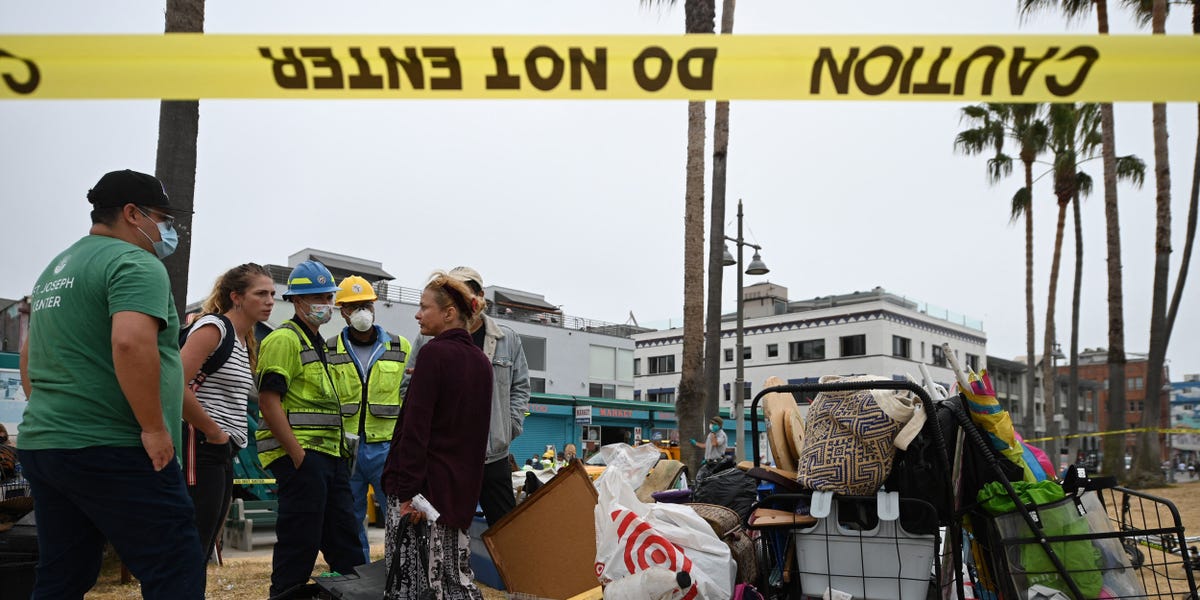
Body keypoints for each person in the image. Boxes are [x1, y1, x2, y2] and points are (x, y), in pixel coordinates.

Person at [16, 169, 204, 598]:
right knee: (175, 568)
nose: (168, 229)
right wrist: (155, 428)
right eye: (163, 217)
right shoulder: (135, 262)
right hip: (117, 446)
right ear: (132, 213)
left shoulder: (57, 268)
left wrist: (57, 415)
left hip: (46, 445)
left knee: (62, 574)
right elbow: (130, 342)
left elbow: (29, 356)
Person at [256, 260, 363, 599]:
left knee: (346, 537)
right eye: (315, 296)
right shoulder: (284, 339)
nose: (325, 304)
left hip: (330, 456)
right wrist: (298, 456)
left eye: (328, 296)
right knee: (299, 540)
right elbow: (269, 401)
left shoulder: (319, 342)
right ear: (297, 301)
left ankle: (358, 594)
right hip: (303, 456)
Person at [381, 271, 491, 599]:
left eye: (424, 307)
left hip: (422, 494)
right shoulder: (481, 362)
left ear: (448, 313)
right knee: (453, 578)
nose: (418, 314)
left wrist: (407, 494)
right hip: (457, 494)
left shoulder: (433, 355)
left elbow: (416, 431)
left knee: (413, 581)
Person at [400, 265, 530, 527]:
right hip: (447, 460)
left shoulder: (507, 339)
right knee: (444, 531)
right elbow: (407, 389)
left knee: (506, 531)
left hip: (492, 457)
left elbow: (520, 388)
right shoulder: (428, 341)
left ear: (479, 296)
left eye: (462, 290)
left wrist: (509, 427)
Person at [179, 263, 274, 562]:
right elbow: (173, 384)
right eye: (261, 293)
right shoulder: (214, 328)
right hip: (200, 441)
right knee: (193, 540)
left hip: (223, 447)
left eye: (272, 293)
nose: (270, 300)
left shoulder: (246, 340)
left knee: (205, 544)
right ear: (236, 297)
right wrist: (213, 431)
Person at [325, 275, 411, 562]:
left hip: (387, 447)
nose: (362, 311)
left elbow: (411, 399)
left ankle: (400, 573)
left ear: (374, 307)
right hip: (345, 448)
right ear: (343, 312)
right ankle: (357, 575)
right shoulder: (328, 349)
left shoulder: (401, 348)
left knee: (398, 514)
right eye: (354, 306)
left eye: (366, 304)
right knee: (349, 517)